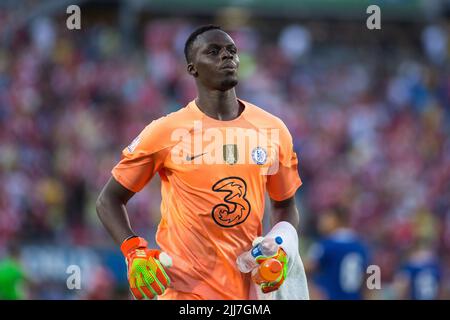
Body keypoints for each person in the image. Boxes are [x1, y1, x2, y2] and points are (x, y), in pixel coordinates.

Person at [96, 25, 303, 300]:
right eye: (214, 52)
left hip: (248, 292)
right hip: (183, 293)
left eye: (232, 51)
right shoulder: (166, 131)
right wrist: (133, 251)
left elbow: (285, 206)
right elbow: (108, 200)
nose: (226, 57)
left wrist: (279, 246)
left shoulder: (273, 130)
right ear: (192, 68)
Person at [305, 207, 370, 300]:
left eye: (326, 217)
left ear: (337, 220)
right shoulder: (360, 245)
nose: (322, 221)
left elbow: (306, 268)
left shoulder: (326, 245)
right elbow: (371, 274)